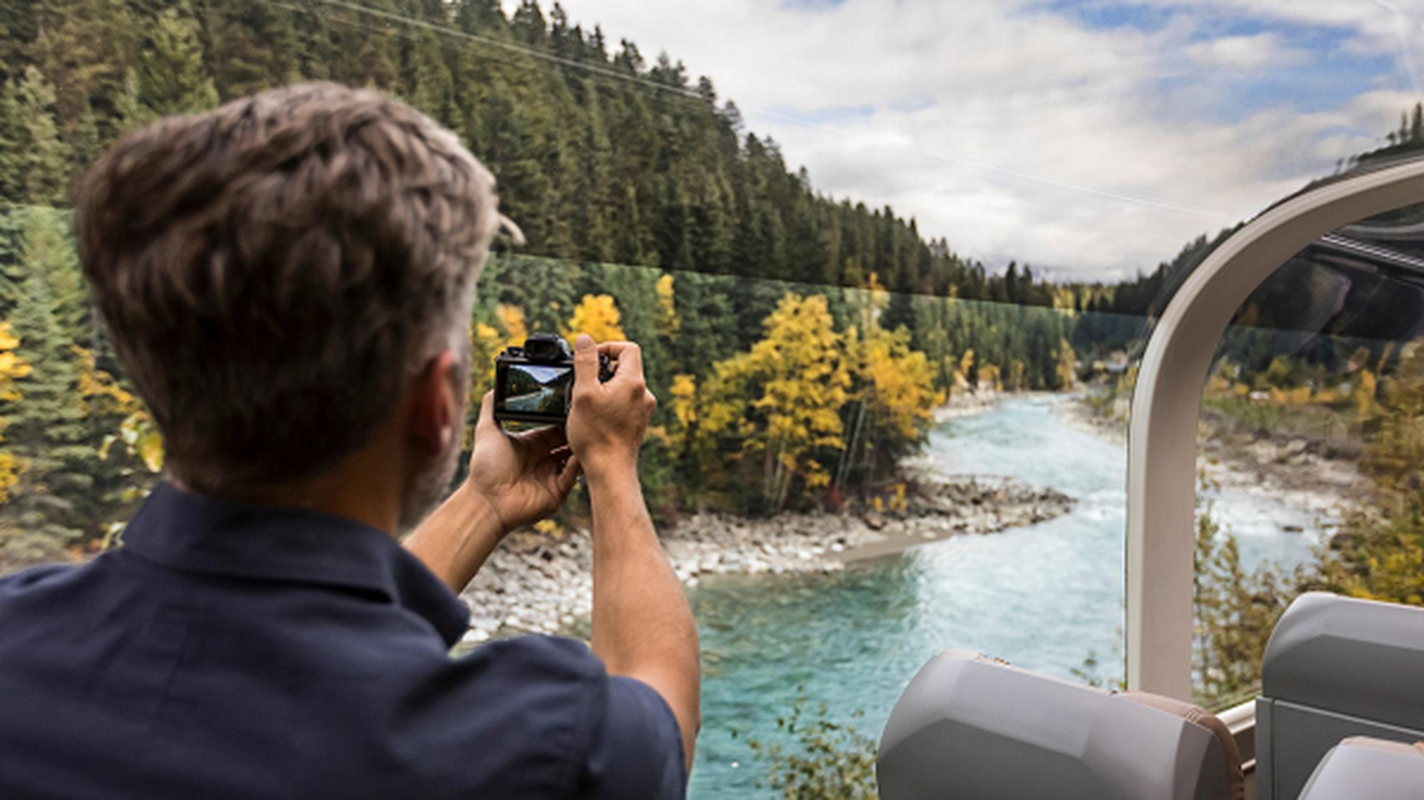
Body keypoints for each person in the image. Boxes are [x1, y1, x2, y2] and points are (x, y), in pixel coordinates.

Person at [0, 83, 699, 798]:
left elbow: (290, 642)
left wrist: (487, 503)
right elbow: (662, 719)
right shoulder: (529, 748)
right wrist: (610, 464)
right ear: (435, 405)